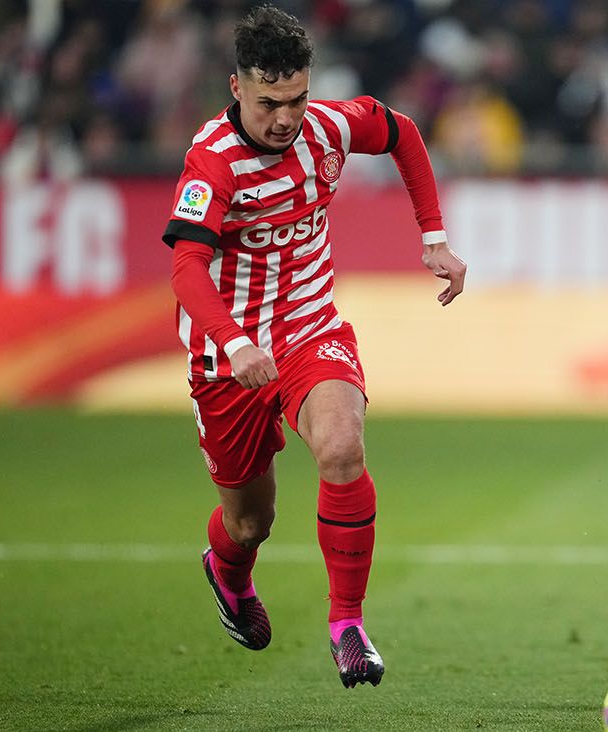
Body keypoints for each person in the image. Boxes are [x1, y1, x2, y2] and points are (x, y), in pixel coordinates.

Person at [162, 5, 466, 689]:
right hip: (227, 359)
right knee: (249, 521)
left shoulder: (326, 127)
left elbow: (402, 133)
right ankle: (228, 572)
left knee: (339, 446)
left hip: (309, 331)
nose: (286, 118)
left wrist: (433, 236)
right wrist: (236, 343)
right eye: (270, 102)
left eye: (297, 98)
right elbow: (186, 270)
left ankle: (347, 625)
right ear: (238, 88)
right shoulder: (213, 163)